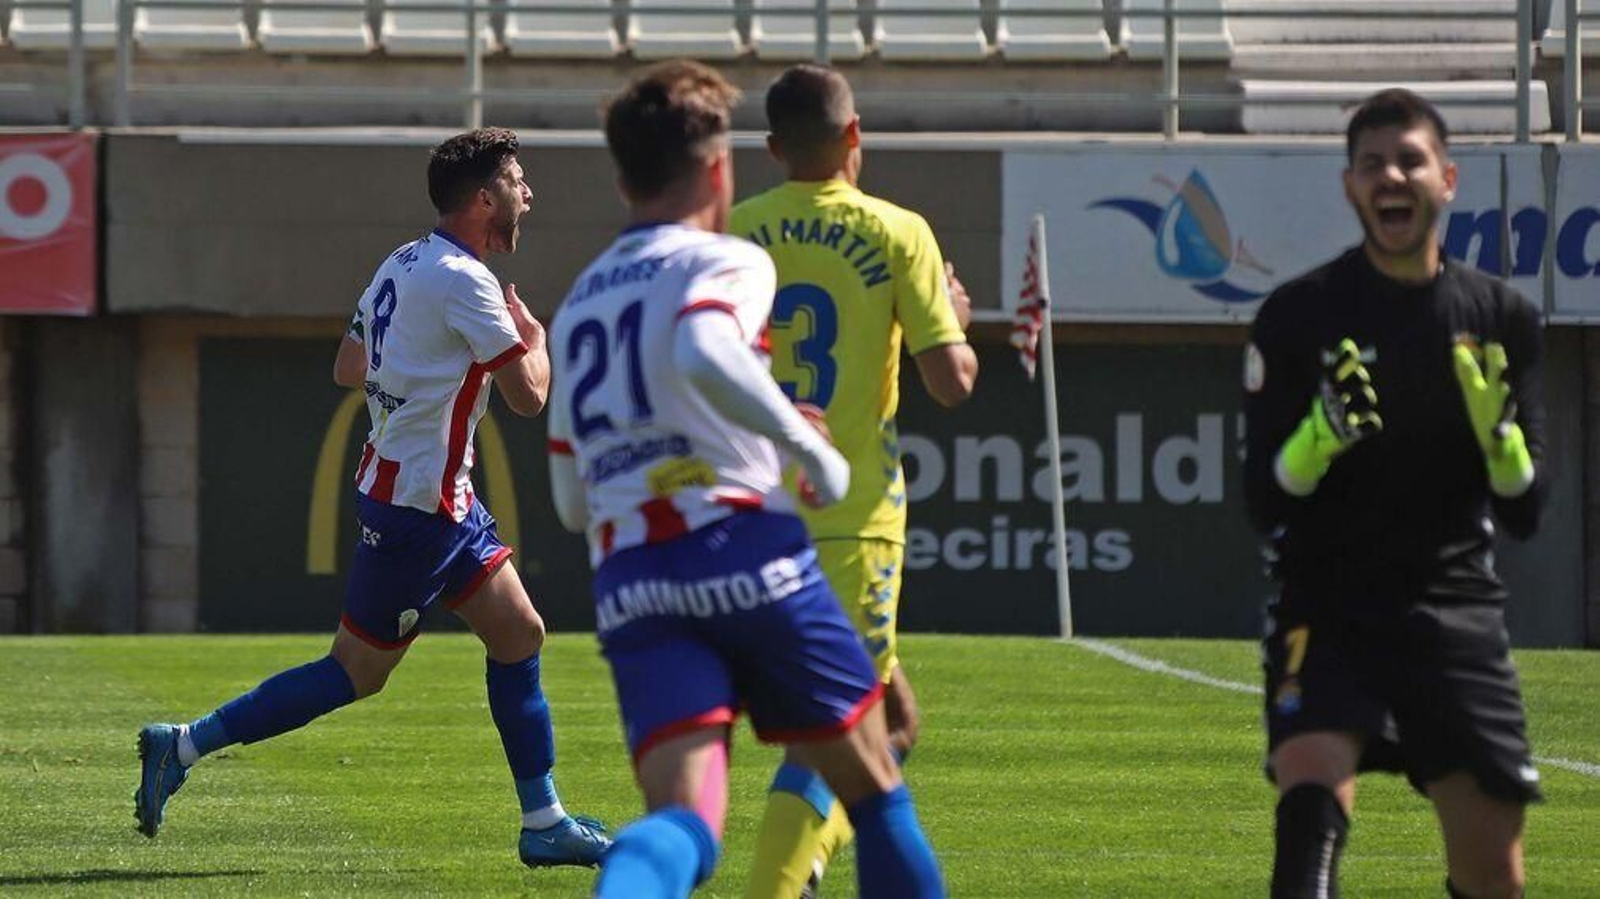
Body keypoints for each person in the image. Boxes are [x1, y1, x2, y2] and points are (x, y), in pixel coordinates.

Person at [135, 127, 611, 869]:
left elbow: (348, 365)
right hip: (420, 509)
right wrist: (533, 336)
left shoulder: (403, 260)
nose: (529, 194)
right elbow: (530, 396)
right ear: (485, 198)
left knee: (519, 632)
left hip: (435, 498)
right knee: (355, 673)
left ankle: (543, 818)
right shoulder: (465, 279)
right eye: (518, 181)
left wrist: (422, 376)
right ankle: (184, 744)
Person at [546, 60, 944, 899]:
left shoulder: (578, 302)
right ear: (721, 169)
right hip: (742, 547)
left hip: (631, 581)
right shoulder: (724, 260)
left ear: (622, 179)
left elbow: (571, 500)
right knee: (874, 782)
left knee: (683, 823)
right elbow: (703, 346)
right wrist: (808, 450)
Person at [1242, 88, 1546, 899]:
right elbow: (1263, 502)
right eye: (1372, 162)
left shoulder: (1500, 316)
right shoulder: (1298, 316)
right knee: (1308, 796)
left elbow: (1527, 508)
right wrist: (1317, 438)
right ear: (1350, 187)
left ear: (1446, 179)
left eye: (1409, 159)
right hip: (1326, 599)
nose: (1391, 175)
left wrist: (1500, 440)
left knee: (1494, 874)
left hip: (1453, 606)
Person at [727, 64, 977, 898]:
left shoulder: (733, 230)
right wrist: (957, 325)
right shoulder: (900, 231)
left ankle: (811, 861)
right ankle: (778, 883)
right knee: (833, 728)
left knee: (895, 718)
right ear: (855, 136)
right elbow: (952, 382)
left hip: (748, 512)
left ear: (770, 148)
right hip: (849, 512)